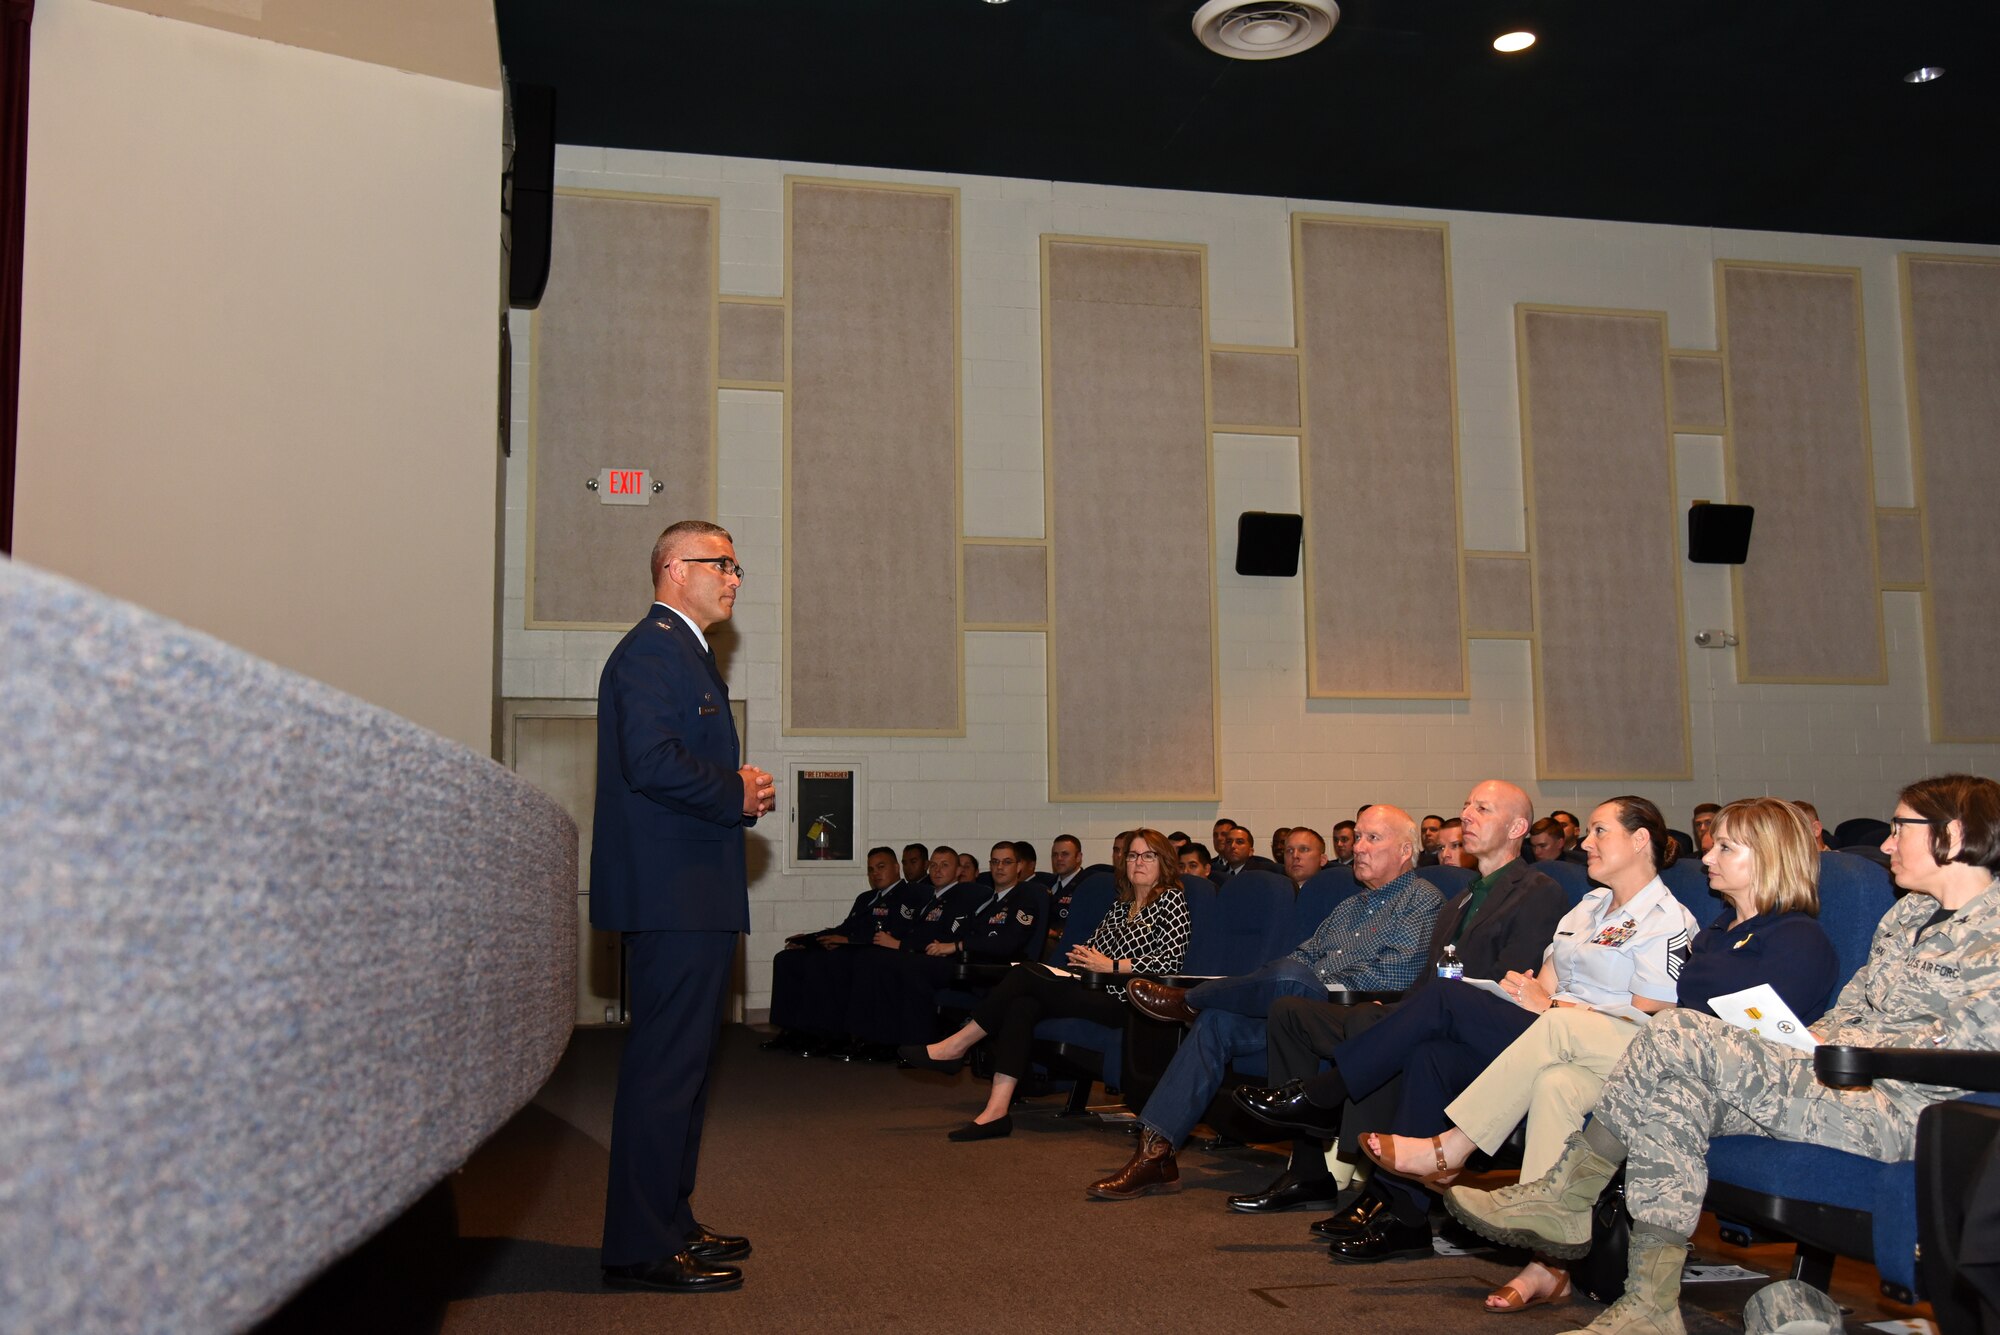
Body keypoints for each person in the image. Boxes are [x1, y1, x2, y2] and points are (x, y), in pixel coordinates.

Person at [1445, 775, 2000, 1334]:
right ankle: (1650, 1306)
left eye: (1901, 828)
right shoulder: (1904, 917)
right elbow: (1853, 1008)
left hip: (1907, 1110)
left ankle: (1567, 1194)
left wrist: (1845, 1050)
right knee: (1672, 1092)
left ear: (1951, 834)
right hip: (1835, 1083)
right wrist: (1815, 1041)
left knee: (1679, 1028)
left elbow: (1972, 1044)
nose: (1886, 843)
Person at [1243, 797, 1701, 1265]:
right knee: (1431, 1055)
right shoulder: (1588, 908)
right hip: (1541, 1030)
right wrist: (1527, 992)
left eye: (1600, 831)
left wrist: (1554, 1003)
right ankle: (1406, 1220)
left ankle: (1328, 1094)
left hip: (1594, 1046)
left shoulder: (1666, 919)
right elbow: (1544, 980)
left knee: (1447, 994)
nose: (1586, 842)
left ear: (1640, 839)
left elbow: (1651, 1014)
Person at [1228, 782, 1565, 1223]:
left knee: (1410, 1023)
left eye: (1482, 808)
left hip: (1482, 1031)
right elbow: (1426, 985)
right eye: (1465, 805)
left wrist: (1411, 1011)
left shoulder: (1538, 891)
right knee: (1290, 1012)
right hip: (1422, 1014)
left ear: (1518, 827)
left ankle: (1326, 1105)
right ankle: (1311, 1170)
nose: (1466, 815)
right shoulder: (1461, 898)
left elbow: (1509, 988)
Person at [1081, 806, 1440, 1199]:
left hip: (1351, 1016)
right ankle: (1156, 1156)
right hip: (1295, 1013)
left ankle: (1189, 1000)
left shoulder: (1420, 900)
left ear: (1406, 851)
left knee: (1290, 977)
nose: (1359, 847)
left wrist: (1318, 982)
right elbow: (1303, 954)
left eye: (1373, 838)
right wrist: (1299, 978)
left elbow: (1396, 976)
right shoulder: (1349, 905)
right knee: (1219, 1020)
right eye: (1357, 837)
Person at [593, 519, 775, 1295]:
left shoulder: (684, 653)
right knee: (665, 1073)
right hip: (672, 896)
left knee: (688, 1072)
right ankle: (638, 1246)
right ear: (675, 568)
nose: (734, 577)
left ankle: (669, 1220)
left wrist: (733, 793)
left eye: (737, 566)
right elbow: (651, 761)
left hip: (691, 894)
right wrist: (735, 789)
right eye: (721, 563)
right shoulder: (652, 651)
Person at [901, 828, 1194, 1140]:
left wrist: (1110, 965)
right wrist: (1086, 958)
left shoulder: (1171, 901)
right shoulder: (1121, 905)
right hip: (1094, 987)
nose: (1138, 862)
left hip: (1129, 999)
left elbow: (1169, 963)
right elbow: (1091, 948)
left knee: (1026, 973)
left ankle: (957, 1045)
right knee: (1022, 1005)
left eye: (1148, 855)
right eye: (1133, 855)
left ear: (1163, 861)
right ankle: (996, 1112)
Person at [762, 845, 913, 1055]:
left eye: (881, 867)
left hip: (874, 952)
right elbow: (843, 928)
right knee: (787, 958)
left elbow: (896, 932)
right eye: (871, 869)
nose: (875, 873)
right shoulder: (865, 898)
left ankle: (827, 1033)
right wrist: (810, 939)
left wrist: (847, 940)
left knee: (825, 962)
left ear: (896, 868)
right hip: (851, 947)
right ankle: (790, 1029)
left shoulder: (908, 896)